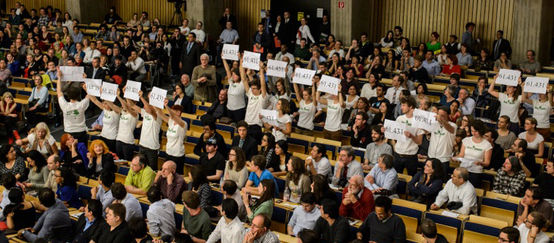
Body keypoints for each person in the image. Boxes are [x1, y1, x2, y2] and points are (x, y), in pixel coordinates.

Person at [453, 119, 492, 188]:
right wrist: (455, 158)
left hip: (475, 172)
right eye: (472, 131)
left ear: (480, 130)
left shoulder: (487, 145)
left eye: (476, 131)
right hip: (463, 170)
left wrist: (480, 163)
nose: (473, 133)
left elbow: (487, 162)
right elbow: (461, 155)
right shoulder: (466, 140)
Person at [56, 68, 89, 143]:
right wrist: (85, 80)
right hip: (81, 132)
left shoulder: (65, 105)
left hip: (69, 133)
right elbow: (90, 94)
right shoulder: (82, 104)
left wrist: (59, 77)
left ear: (68, 96)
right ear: (79, 95)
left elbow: (59, 92)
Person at [393, 96, 424, 176]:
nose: (401, 107)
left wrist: (412, 136)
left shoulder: (418, 121)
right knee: (395, 179)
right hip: (398, 154)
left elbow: (419, 142)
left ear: (410, 107)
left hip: (411, 156)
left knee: (411, 179)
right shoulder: (399, 118)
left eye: (403, 105)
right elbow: (393, 136)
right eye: (401, 105)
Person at [241, 61, 268, 143]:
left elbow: (263, 84)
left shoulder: (262, 97)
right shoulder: (250, 94)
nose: (252, 90)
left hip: (256, 126)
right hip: (247, 124)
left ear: (259, 89)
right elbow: (244, 80)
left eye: (254, 88)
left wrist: (261, 70)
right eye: (251, 88)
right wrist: (242, 64)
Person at [222, 55, 246, 123]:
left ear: (239, 75)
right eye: (233, 74)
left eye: (235, 74)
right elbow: (227, 70)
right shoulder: (231, 83)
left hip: (239, 110)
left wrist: (241, 60)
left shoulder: (242, 84)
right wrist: (223, 59)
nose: (233, 76)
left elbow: (242, 73)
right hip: (229, 109)